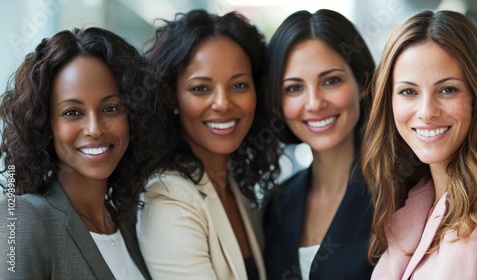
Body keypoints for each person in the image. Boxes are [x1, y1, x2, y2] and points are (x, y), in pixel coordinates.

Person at [0, 27, 170, 279]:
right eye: (72, 112)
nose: (95, 129)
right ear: (46, 125)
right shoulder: (23, 220)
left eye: (111, 108)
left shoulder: (127, 222)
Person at [136, 9, 280, 280]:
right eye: (201, 88)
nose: (223, 103)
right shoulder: (168, 199)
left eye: (239, 85)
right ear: (171, 97)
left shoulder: (237, 187)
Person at [362, 10, 477, 279]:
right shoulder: (409, 201)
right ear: (389, 102)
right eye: (408, 92)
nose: (427, 111)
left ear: (476, 95)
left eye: (447, 89)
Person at [263, 9, 375, 280]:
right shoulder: (277, 204)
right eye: (294, 88)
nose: (314, 103)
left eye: (331, 81)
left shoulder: (401, 191)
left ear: (362, 83)